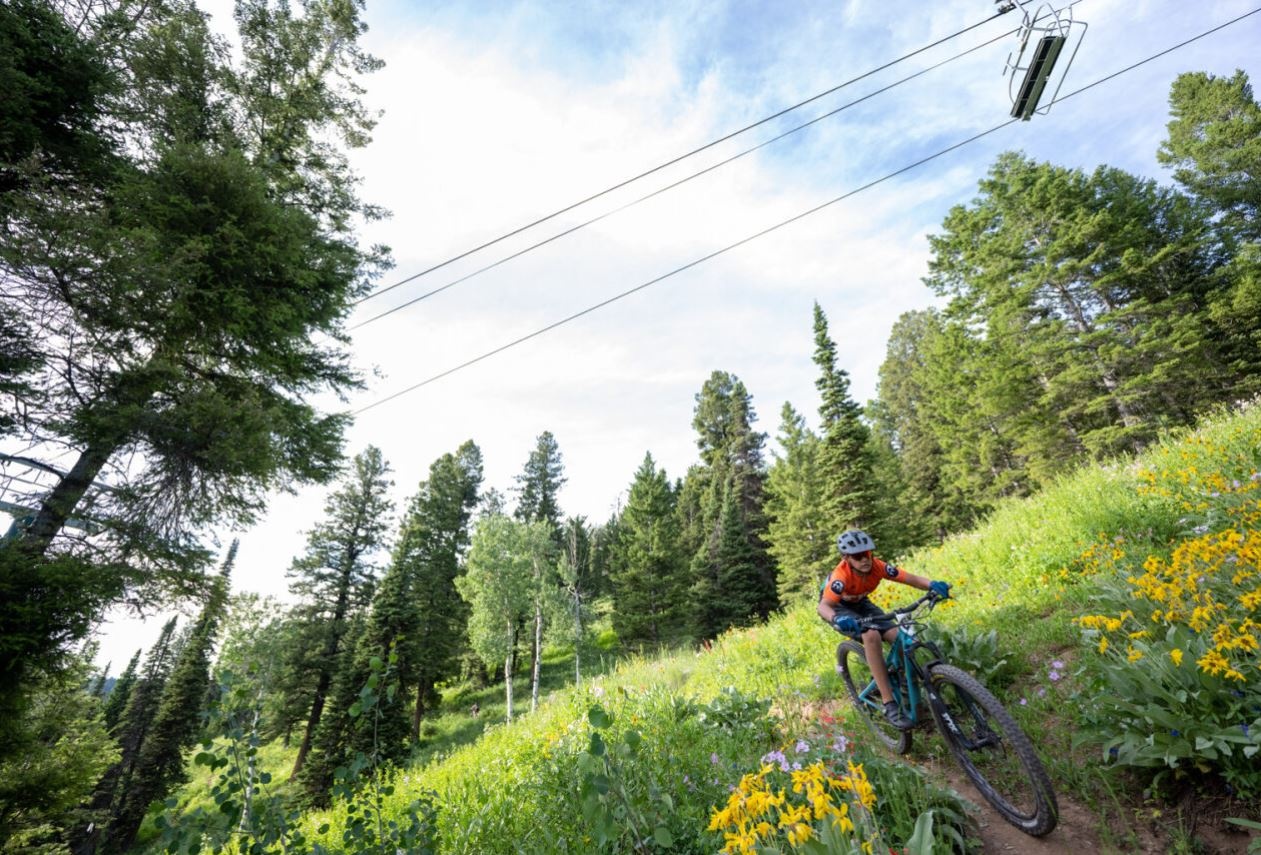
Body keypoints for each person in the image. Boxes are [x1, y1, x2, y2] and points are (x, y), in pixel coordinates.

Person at [818, 528, 950, 730]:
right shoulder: (840, 577)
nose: (865, 559)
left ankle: (904, 684)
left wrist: (932, 584)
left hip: (861, 603)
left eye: (867, 553)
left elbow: (911, 579)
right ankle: (889, 704)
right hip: (838, 607)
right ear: (846, 558)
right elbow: (823, 607)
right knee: (871, 634)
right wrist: (837, 618)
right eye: (858, 556)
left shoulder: (878, 566)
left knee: (898, 636)